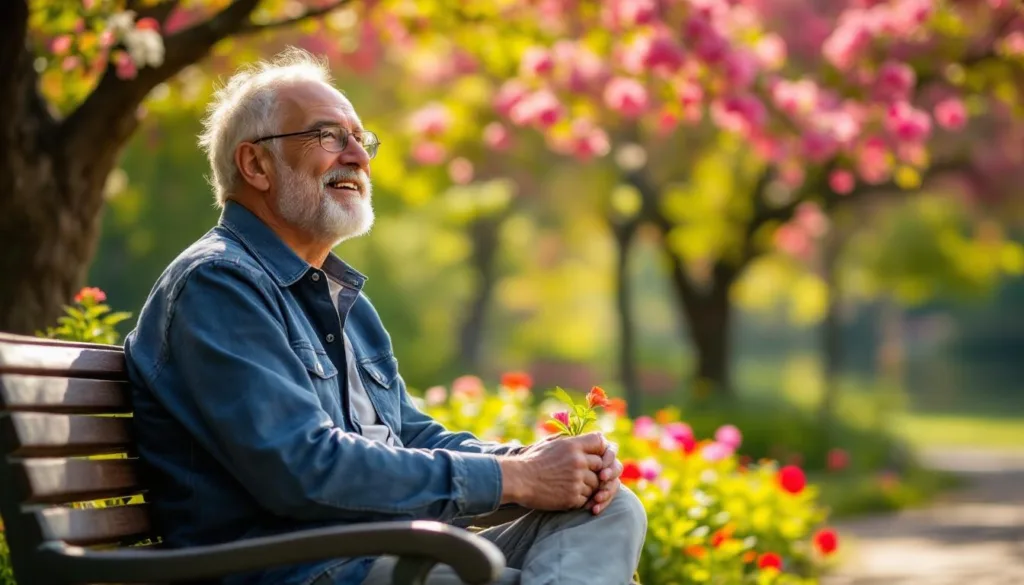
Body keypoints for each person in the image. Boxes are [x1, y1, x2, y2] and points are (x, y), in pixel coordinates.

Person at [123, 48, 647, 585]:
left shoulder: (342, 301)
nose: (358, 155)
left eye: (360, 138)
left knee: (611, 508)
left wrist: (545, 464)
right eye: (329, 136)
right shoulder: (219, 284)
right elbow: (303, 470)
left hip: (376, 552)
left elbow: (413, 437)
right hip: (298, 570)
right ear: (256, 164)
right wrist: (514, 477)